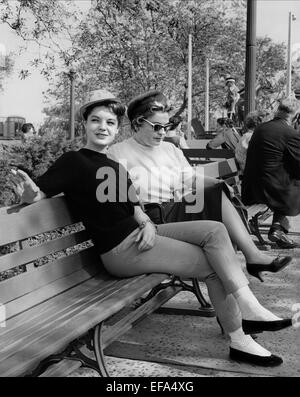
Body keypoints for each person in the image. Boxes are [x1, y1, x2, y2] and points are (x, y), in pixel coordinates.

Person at [11, 89, 292, 367]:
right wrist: (28, 194)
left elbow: (132, 205)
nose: (102, 127)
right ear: (84, 122)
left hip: (141, 235)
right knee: (213, 267)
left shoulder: (112, 163)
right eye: (95, 120)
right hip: (120, 250)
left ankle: (249, 307)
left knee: (216, 231)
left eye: (109, 122)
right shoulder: (73, 161)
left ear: (116, 127)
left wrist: (145, 223)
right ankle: (240, 337)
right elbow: (38, 194)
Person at [108, 90, 290, 283]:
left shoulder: (169, 149)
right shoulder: (117, 153)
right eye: (157, 127)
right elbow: (118, 199)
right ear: (138, 123)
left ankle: (250, 258)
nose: (162, 132)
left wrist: (219, 184)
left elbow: (192, 179)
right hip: (152, 217)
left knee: (219, 192)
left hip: (173, 209)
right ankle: (248, 261)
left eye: (166, 126)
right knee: (218, 218)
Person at [242, 97, 300, 249]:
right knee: (295, 184)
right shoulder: (290, 133)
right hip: (271, 188)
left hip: (251, 186)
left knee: (290, 182)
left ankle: (277, 229)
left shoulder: (261, 128)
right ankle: (278, 228)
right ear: (295, 115)